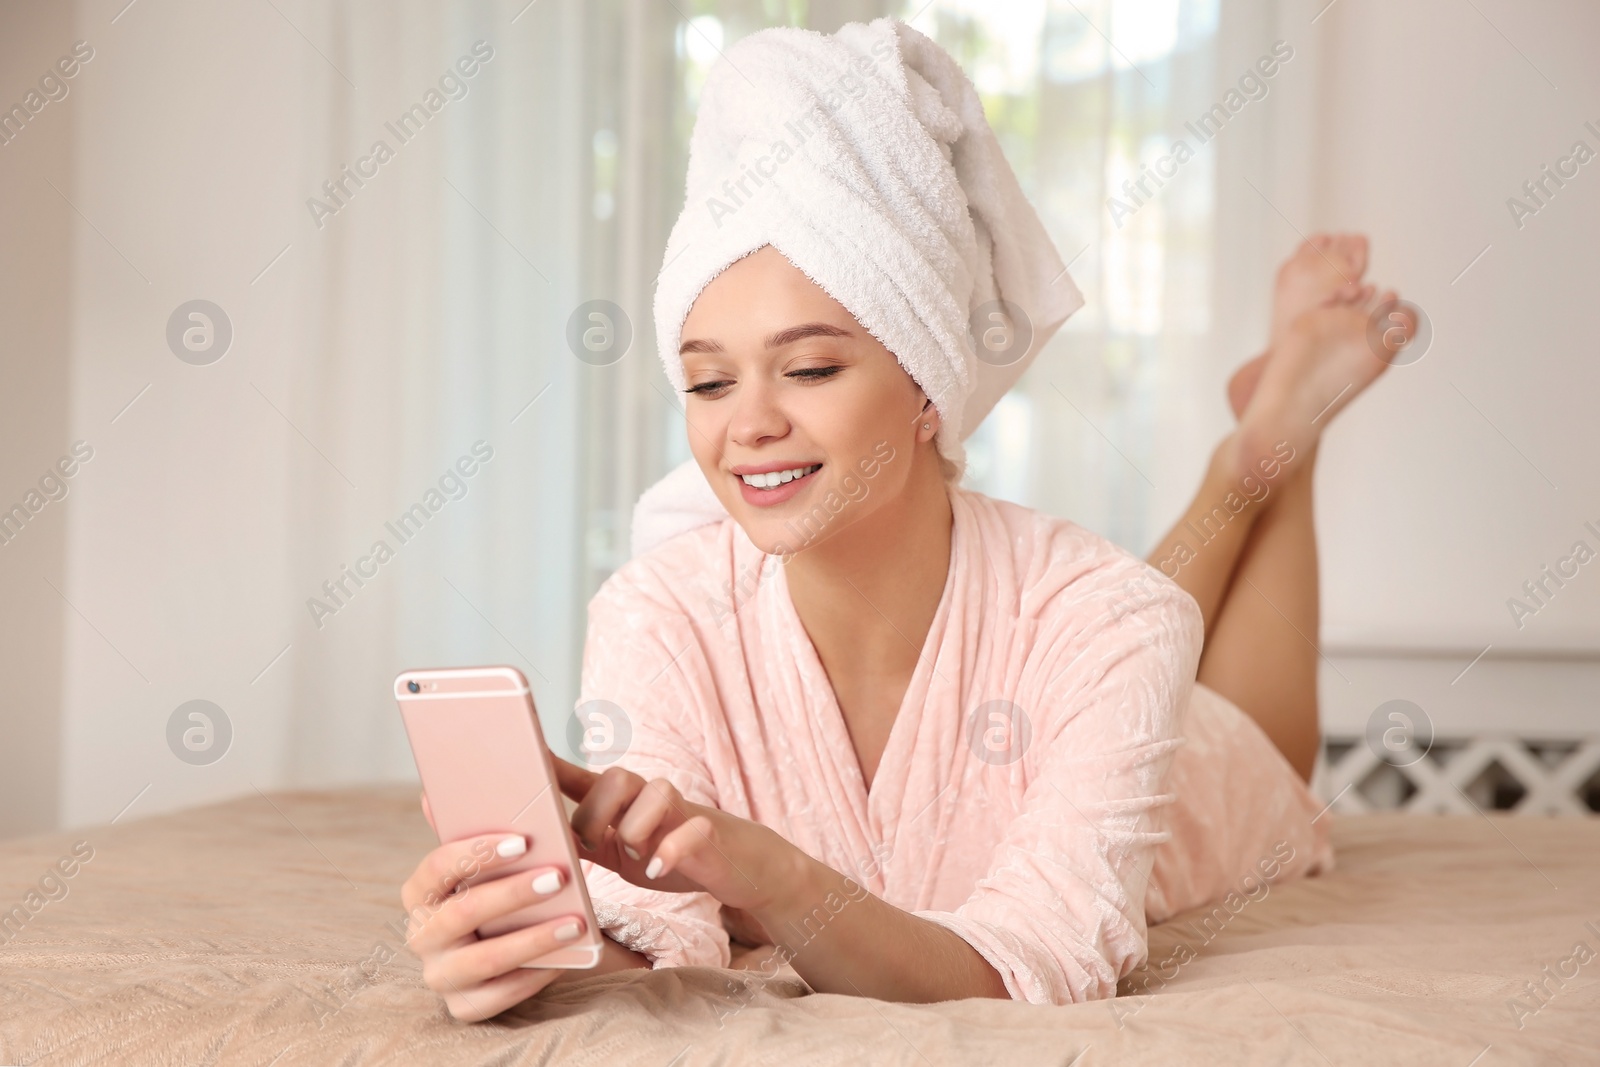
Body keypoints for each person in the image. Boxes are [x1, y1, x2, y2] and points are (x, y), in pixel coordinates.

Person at [400, 19, 1412, 1022]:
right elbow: (659, 934)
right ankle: (1268, 429)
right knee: (1127, 616)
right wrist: (523, 950)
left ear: (928, 389)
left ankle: (1274, 448)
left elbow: (1030, 968)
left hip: (1182, 775)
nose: (748, 424)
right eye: (707, 381)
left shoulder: (1107, 614)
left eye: (808, 368)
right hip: (1086, 654)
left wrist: (775, 875)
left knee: (1236, 720)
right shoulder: (659, 611)